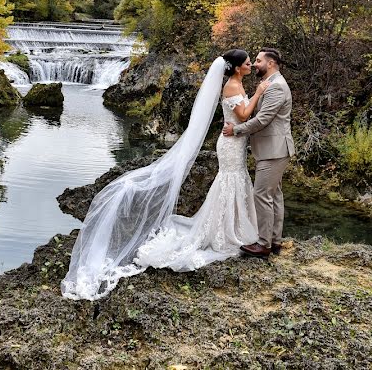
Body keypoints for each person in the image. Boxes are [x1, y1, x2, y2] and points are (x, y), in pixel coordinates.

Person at [60, 50, 272, 300]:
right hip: (231, 144)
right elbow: (243, 115)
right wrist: (259, 93)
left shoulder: (236, 83)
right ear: (237, 68)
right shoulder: (232, 86)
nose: (250, 66)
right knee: (230, 180)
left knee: (234, 180)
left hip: (235, 141)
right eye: (247, 63)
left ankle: (232, 226)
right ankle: (224, 230)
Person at [222, 48, 295, 258]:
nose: (254, 64)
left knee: (261, 194)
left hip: (274, 150)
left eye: (258, 60)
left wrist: (235, 130)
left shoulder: (276, 87)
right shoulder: (271, 84)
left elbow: (263, 120)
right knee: (274, 195)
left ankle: (264, 245)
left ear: (270, 63)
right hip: (273, 149)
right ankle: (274, 241)